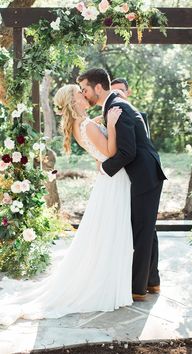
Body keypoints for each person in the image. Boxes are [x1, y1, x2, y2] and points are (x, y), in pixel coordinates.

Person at [0, 84, 133, 327]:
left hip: (109, 180)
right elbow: (111, 152)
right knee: (111, 233)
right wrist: (112, 125)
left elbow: (97, 151)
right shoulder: (87, 126)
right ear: (74, 101)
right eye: (79, 93)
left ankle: (111, 281)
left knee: (108, 233)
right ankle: (108, 285)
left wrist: (101, 125)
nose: (85, 94)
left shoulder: (81, 124)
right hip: (113, 182)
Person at [78, 68, 167, 301]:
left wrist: (104, 170)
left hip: (144, 175)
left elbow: (127, 152)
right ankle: (152, 281)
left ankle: (137, 289)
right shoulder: (113, 106)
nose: (84, 94)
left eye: (85, 89)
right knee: (146, 228)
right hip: (143, 173)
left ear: (98, 87)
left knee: (141, 230)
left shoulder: (118, 108)